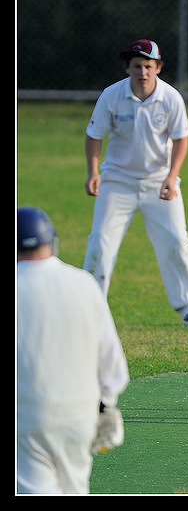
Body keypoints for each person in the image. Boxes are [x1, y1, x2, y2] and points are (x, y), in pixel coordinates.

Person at [83, 39, 188, 327]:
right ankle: (91, 308)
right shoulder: (111, 96)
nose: (143, 72)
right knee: (100, 243)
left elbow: (181, 139)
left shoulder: (170, 98)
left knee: (177, 241)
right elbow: (94, 136)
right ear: (128, 68)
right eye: (137, 66)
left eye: (148, 66)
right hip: (117, 181)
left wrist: (170, 175)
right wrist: (93, 172)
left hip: (160, 184)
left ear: (158, 68)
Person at [17, 206, 130, 494]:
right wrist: (105, 405)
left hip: (28, 416)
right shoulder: (84, 283)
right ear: (52, 243)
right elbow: (114, 368)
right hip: (79, 417)